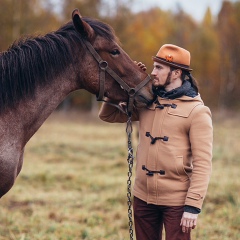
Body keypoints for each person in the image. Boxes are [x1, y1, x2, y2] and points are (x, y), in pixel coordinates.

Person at [98, 44, 213, 240]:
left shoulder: (197, 112)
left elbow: (203, 163)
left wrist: (192, 206)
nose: (153, 73)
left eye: (159, 68)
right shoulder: (146, 102)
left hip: (176, 202)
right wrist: (124, 83)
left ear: (176, 73)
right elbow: (108, 115)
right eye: (154, 67)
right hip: (143, 198)